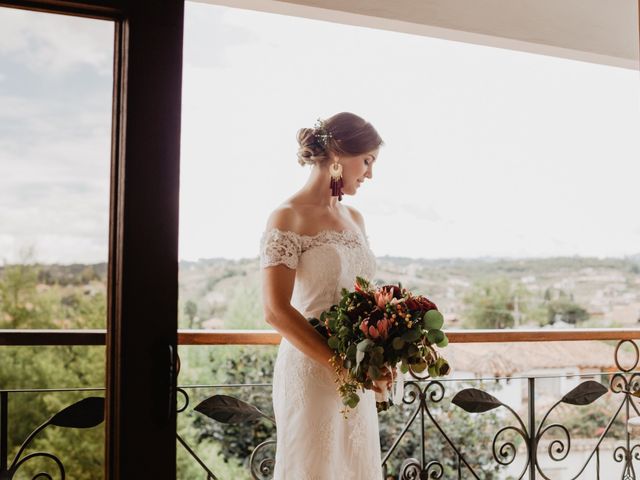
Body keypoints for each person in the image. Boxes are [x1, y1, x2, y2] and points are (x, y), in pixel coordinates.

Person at [259, 112, 386, 479]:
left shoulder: (355, 218)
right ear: (338, 154)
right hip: (311, 370)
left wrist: (379, 353)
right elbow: (275, 311)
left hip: (355, 374)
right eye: (367, 161)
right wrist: (341, 364)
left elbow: (365, 297)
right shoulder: (287, 216)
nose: (370, 174)